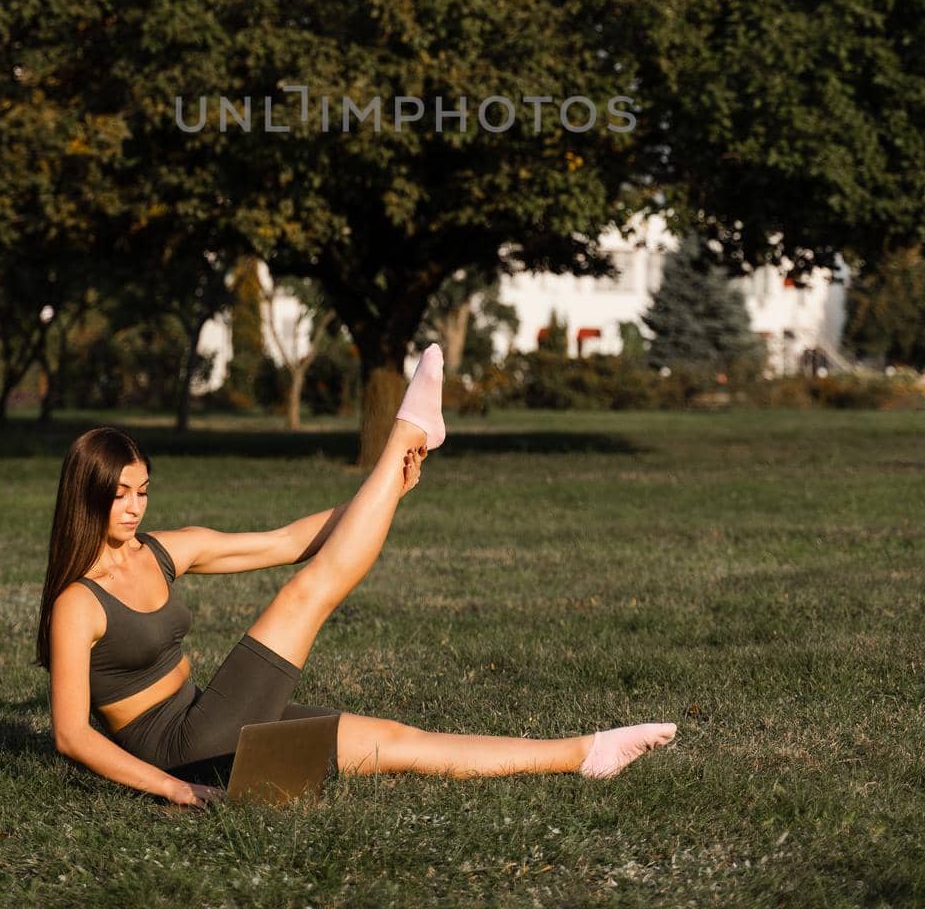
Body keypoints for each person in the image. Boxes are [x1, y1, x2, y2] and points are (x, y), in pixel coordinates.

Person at [35, 344, 676, 808]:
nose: (137, 506)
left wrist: (385, 492)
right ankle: (405, 431)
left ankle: (585, 753)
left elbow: (290, 540)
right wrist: (172, 787)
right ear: (87, 497)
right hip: (181, 749)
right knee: (307, 594)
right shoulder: (77, 605)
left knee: (395, 741)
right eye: (121, 494)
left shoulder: (162, 549)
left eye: (143, 491)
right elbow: (70, 735)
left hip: (213, 723)